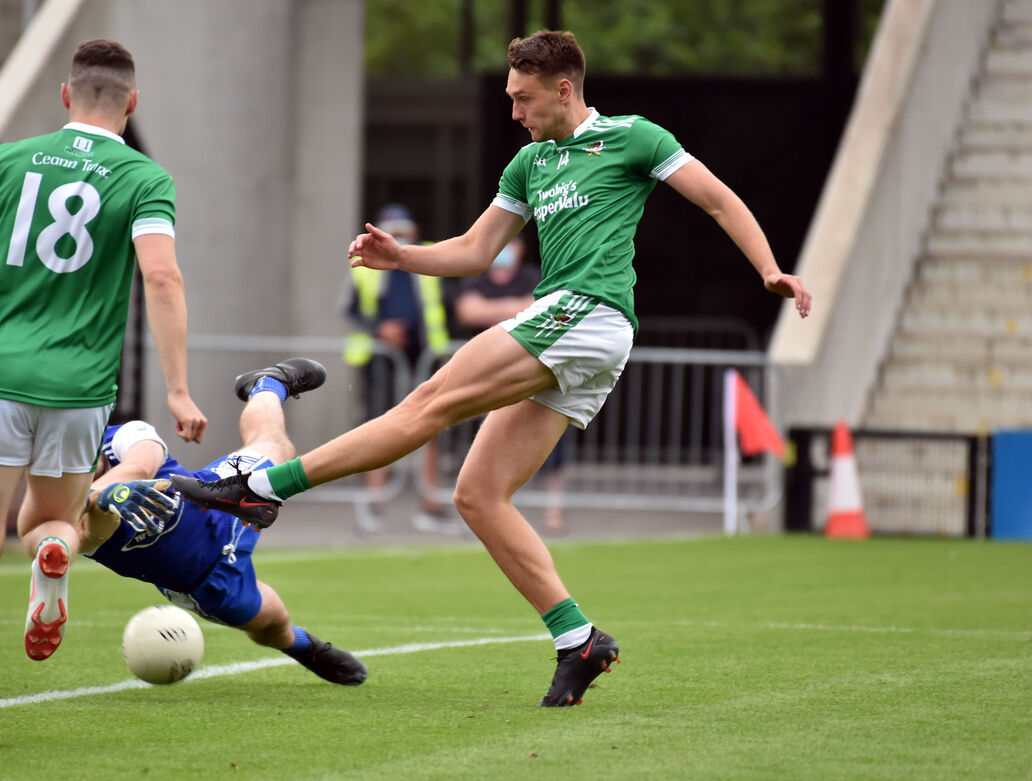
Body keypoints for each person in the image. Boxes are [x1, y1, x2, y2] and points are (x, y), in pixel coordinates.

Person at [171, 30, 811, 707]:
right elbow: (476, 250)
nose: (513, 112)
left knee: (431, 399)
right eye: (510, 98)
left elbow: (717, 198)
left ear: (564, 89)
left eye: (524, 98)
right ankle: (578, 640)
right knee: (478, 493)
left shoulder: (633, 137)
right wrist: (403, 257)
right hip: (576, 334)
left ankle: (264, 486)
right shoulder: (530, 163)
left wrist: (768, 268)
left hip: (586, 314)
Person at [0, 38, 207, 747]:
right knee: (52, 522)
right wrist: (180, 391)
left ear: (65, 96)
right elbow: (161, 277)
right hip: (80, 390)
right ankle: (51, 558)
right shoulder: (144, 178)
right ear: (131, 104)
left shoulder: (8, 161)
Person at [79, 358, 368, 688]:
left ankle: (268, 384)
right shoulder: (63, 508)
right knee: (273, 624)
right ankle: (302, 647)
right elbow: (89, 534)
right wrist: (97, 500)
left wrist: (110, 489)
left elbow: (143, 465)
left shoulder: (123, 435)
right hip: (206, 582)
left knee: (277, 447)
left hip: (216, 497)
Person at [341, 203, 455, 534]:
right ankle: (374, 505)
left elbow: (449, 305)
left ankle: (431, 507)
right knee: (378, 427)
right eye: (392, 230)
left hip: (425, 358)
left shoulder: (432, 255)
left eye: (404, 231)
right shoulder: (361, 264)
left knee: (431, 427)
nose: (398, 237)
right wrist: (381, 330)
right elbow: (349, 310)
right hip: (381, 361)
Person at [453, 235, 568, 535]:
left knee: (551, 443)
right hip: (487, 374)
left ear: (520, 248)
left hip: (530, 372)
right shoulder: (476, 278)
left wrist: (494, 309)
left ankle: (551, 511)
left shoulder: (532, 276)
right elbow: (468, 311)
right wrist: (519, 309)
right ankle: (482, 507)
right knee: (478, 441)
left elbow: (547, 309)